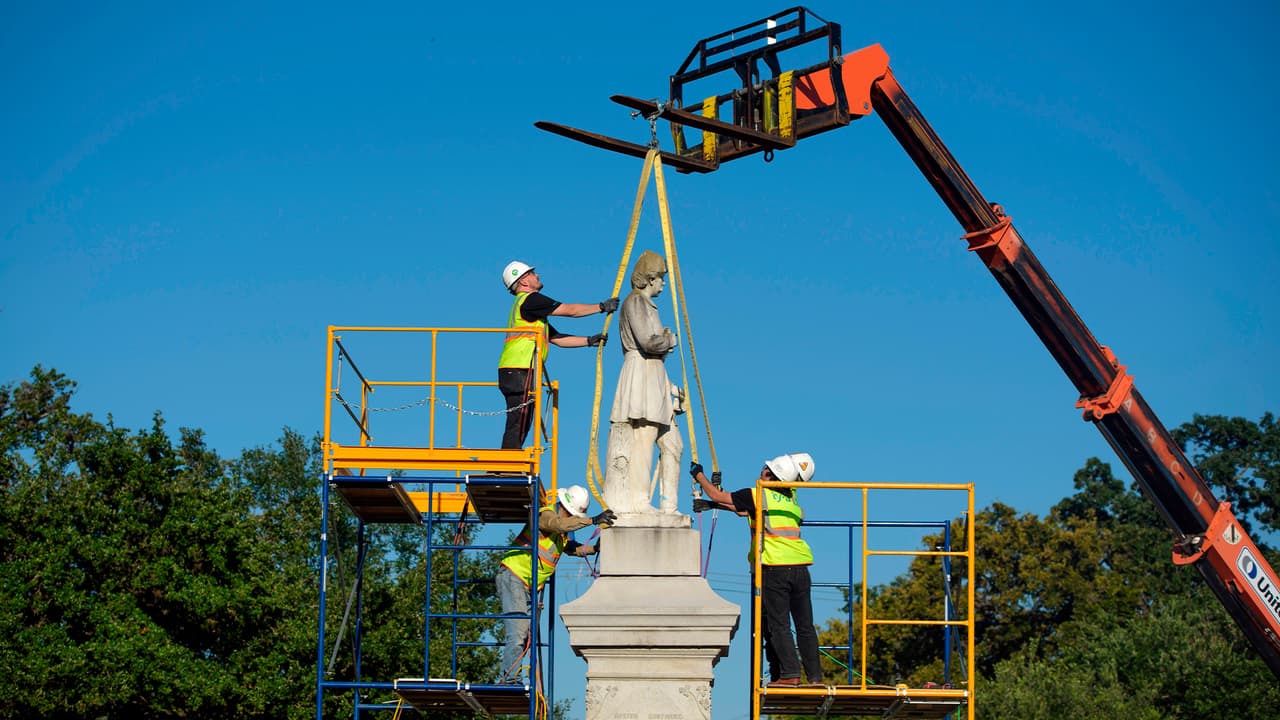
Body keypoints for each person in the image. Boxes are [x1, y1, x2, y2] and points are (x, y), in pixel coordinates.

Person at [691, 453, 822, 687]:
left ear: (771, 475)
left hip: (775, 568)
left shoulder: (758, 493)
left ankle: (790, 674)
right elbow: (744, 510)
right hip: (801, 567)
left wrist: (698, 475)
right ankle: (815, 678)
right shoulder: (791, 498)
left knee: (778, 624)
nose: (762, 471)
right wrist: (713, 505)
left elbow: (718, 494)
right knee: (805, 625)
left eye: (765, 469)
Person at [495, 484, 616, 683]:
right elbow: (558, 524)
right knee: (518, 633)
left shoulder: (560, 533)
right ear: (564, 508)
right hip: (514, 576)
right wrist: (593, 520)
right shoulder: (544, 515)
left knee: (524, 636)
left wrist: (594, 549)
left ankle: (511, 677)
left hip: (526, 586)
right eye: (572, 515)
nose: (572, 519)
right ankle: (508, 680)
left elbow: (570, 547)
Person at [498, 261, 618, 449]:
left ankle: (509, 461)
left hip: (515, 370)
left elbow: (556, 338)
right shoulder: (530, 300)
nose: (537, 276)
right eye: (532, 273)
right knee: (519, 420)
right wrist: (601, 307)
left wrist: (588, 341)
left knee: (521, 419)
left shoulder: (531, 311)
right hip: (519, 368)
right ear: (523, 281)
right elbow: (570, 310)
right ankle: (507, 463)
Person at [603, 250, 684, 514]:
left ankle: (669, 505)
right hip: (640, 373)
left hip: (653, 375)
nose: (663, 283)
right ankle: (639, 501)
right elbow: (649, 342)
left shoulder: (646, 304)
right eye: (661, 278)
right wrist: (669, 340)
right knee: (643, 440)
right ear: (650, 278)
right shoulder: (635, 303)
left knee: (673, 444)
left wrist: (670, 390)